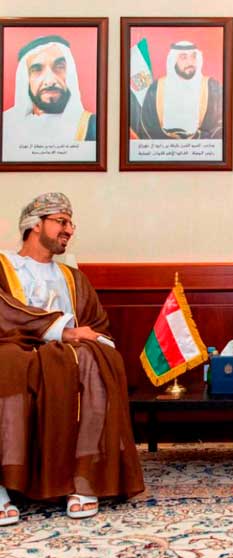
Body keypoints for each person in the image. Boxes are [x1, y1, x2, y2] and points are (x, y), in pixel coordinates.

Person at [0, 193, 144, 526]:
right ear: (36, 225)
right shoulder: (4, 267)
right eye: (61, 221)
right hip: (13, 347)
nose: (69, 229)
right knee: (8, 364)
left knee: (98, 360)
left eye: (71, 223)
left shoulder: (72, 277)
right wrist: (61, 331)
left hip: (66, 355)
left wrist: (81, 338)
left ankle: (83, 478)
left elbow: (95, 325)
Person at [2, 35, 96, 156]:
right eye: (37, 70)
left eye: (59, 67)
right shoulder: (6, 124)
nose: (50, 81)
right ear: (25, 79)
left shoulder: (93, 126)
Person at [138, 41, 222, 140]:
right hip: (163, 147)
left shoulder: (212, 87)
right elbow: (146, 127)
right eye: (183, 57)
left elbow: (220, 125)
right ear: (173, 61)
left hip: (203, 147)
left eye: (193, 57)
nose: (190, 62)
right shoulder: (156, 88)